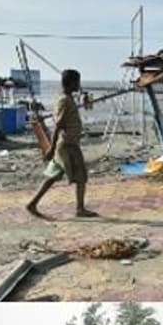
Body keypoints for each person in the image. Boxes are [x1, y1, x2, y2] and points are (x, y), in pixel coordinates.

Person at [27, 69, 97, 219]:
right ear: (71, 83)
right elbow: (58, 124)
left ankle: (32, 203)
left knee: (52, 176)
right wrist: (51, 148)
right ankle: (80, 209)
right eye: (77, 82)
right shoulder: (65, 100)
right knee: (81, 177)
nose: (79, 84)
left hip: (66, 144)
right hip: (68, 145)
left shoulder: (66, 98)